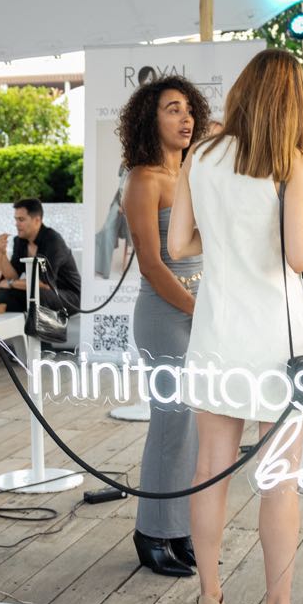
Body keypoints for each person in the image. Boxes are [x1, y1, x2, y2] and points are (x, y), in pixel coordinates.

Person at [169, 48, 303, 604]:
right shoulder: (290, 161)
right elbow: (299, 257)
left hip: (217, 333)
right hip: (278, 343)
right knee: (279, 479)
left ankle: (209, 602)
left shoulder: (201, 156)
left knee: (209, 468)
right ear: (293, 104)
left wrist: (225, 233)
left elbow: (179, 244)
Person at [120, 75, 210, 577]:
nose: (185, 118)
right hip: (164, 315)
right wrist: (199, 311)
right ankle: (151, 532)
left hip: (200, 312)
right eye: (172, 109)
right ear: (149, 120)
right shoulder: (143, 179)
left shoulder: (195, 173)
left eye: (188, 109)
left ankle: (178, 528)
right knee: (170, 420)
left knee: (195, 426)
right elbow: (152, 266)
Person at [0, 198, 82, 314]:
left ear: (37, 220)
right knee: (2, 293)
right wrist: (2, 253)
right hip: (41, 292)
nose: (16, 224)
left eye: (21, 219)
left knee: (37, 296)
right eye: (16, 219)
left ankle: (36, 323)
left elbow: (45, 284)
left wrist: (11, 284)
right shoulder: (19, 241)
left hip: (69, 296)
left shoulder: (53, 240)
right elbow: (13, 276)